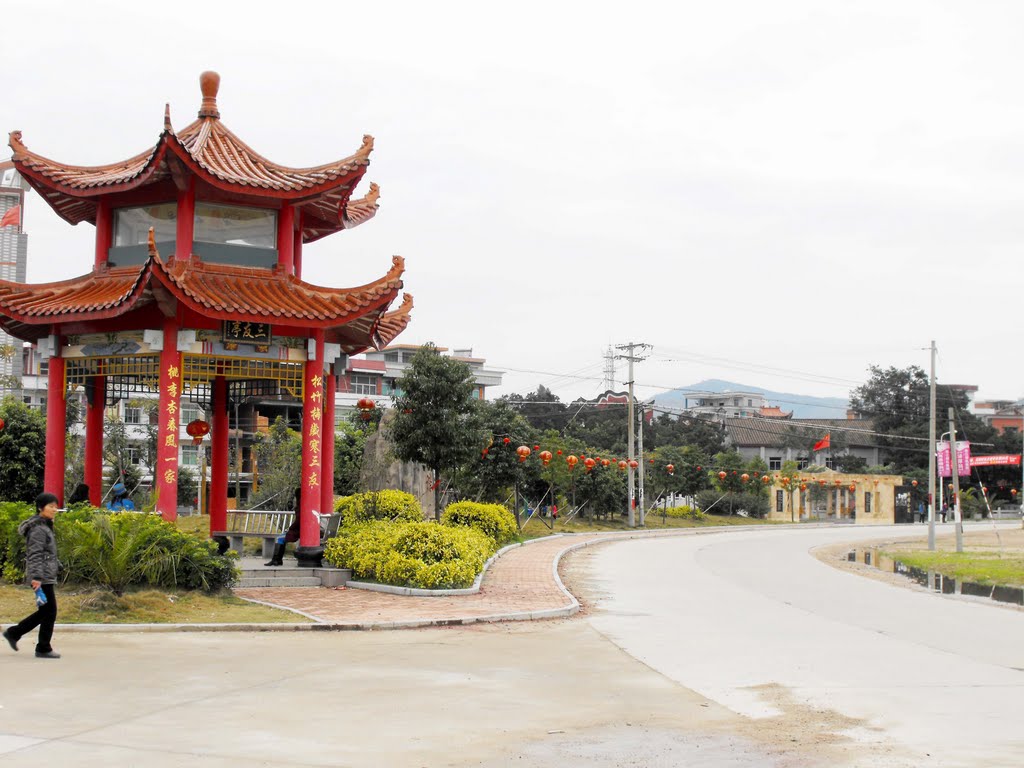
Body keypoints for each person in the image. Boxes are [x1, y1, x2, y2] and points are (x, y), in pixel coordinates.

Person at [3, 493, 62, 659]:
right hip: (41, 576)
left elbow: (47, 552)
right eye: (51, 506)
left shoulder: (44, 525)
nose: (54, 509)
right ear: (40, 508)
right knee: (49, 611)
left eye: (55, 506)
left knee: (47, 612)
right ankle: (37, 645)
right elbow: (35, 554)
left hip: (45, 574)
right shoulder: (38, 529)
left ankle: (19, 635)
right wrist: (36, 578)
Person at [265, 488, 302, 567]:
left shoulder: (301, 505)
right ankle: (277, 560)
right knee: (281, 537)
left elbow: (299, 520)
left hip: (299, 530)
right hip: (301, 529)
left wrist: (290, 528)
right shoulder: (304, 504)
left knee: (280, 538)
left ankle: (276, 560)